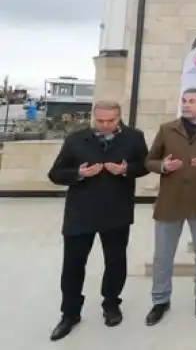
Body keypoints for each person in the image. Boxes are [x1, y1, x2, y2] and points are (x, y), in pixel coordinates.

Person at [46, 100, 149, 341]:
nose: (104, 125)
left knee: (115, 262)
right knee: (73, 265)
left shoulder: (134, 138)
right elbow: (55, 174)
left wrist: (125, 170)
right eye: (100, 121)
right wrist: (78, 174)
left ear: (119, 118)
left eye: (110, 121)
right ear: (94, 117)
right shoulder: (75, 140)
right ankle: (70, 313)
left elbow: (143, 166)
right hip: (80, 213)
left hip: (116, 212)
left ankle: (111, 304)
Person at [143, 88, 196, 325]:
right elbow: (149, 160)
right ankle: (160, 300)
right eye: (183, 100)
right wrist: (162, 166)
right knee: (162, 255)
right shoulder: (167, 129)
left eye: (191, 101)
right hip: (170, 201)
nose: (186, 104)